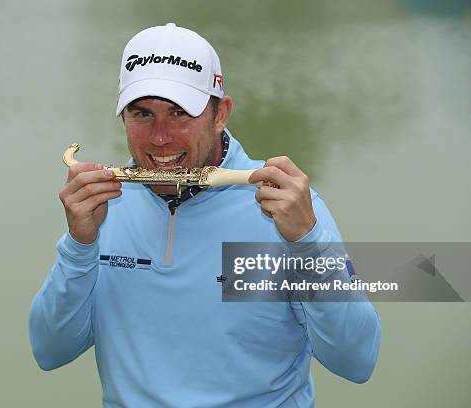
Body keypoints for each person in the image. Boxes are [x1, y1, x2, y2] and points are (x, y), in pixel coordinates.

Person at [29, 23, 381, 407]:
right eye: (142, 113)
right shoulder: (104, 207)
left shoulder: (283, 209)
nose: (159, 137)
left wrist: (309, 246)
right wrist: (80, 246)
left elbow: (356, 362)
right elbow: (50, 352)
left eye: (180, 113)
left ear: (220, 114)